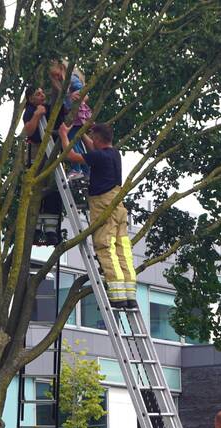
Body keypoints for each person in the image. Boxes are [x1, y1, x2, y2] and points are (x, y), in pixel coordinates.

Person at [58, 122, 137, 309]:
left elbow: (71, 155)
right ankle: (129, 296)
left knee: (105, 246)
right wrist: (86, 133)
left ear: (99, 138)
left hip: (104, 204)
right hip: (118, 204)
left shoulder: (100, 156)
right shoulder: (113, 153)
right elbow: (94, 150)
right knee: (123, 250)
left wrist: (63, 134)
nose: (91, 140)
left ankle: (117, 297)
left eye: (93, 137)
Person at [21, 85, 65, 246]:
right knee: (36, 191)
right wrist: (37, 115)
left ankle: (51, 231)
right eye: (37, 94)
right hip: (36, 153)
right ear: (30, 98)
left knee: (54, 190)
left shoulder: (47, 108)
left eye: (42, 93)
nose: (41, 96)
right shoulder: (30, 110)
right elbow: (29, 130)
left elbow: (60, 107)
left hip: (52, 151)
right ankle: (36, 229)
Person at [48, 59, 92, 180]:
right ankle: (86, 170)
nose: (56, 77)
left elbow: (84, 94)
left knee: (71, 140)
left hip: (77, 115)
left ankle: (77, 169)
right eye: (53, 76)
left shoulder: (72, 79)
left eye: (56, 73)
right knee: (76, 141)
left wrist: (74, 96)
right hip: (73, 115)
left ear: (62, 69)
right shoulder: (62, 83)